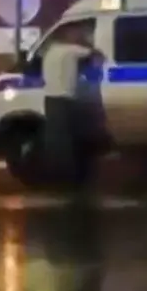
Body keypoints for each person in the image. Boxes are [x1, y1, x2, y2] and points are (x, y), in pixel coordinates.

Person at [38, 20, 102, 186]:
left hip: (50, 99)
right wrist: (87, 42)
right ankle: (69, 178)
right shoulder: (71, 50)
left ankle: (55, 176)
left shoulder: (50, 51)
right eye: (74, 34)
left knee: (55, 140)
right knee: (68, 140)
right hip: (65, 99)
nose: (76, 36)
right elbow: (96, 55)